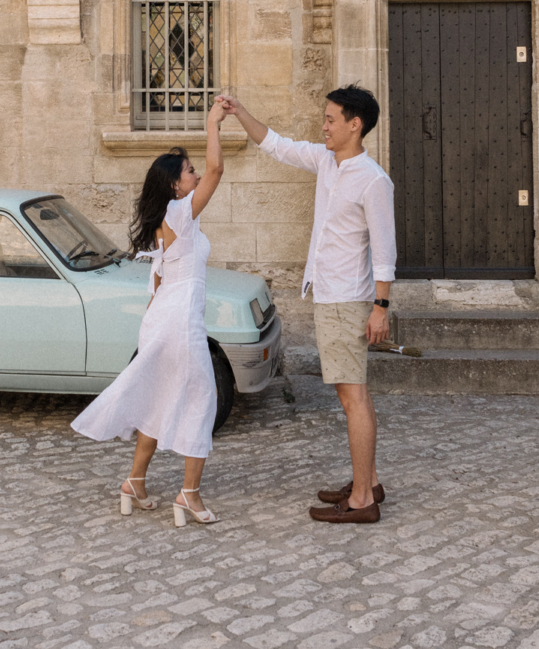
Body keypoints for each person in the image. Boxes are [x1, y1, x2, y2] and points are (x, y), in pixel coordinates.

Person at [219, 85, 396, 524]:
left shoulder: (373, 180)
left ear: (355, 125)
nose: (324, 126)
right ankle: (367, 480)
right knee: (352, 391)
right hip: (329, 295)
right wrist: (240, 111)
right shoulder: (325, 160)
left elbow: (386, 250)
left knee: (351, 395)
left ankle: (361, 501)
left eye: (331, 119)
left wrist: (380, 307)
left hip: (348, 300)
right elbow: (276, 144)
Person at [71, 96, 227, 525]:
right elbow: (217, 170)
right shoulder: (181, 212)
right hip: (180, 322)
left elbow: (155, 285)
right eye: (188, 171)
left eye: (192, 167)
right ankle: (189, 497)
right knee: (201, 400)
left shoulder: (164, 223)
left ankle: (134, 483)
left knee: (157, 399)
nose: (195, 173)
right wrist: (212, 122)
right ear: (176, 185)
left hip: (160, 319)